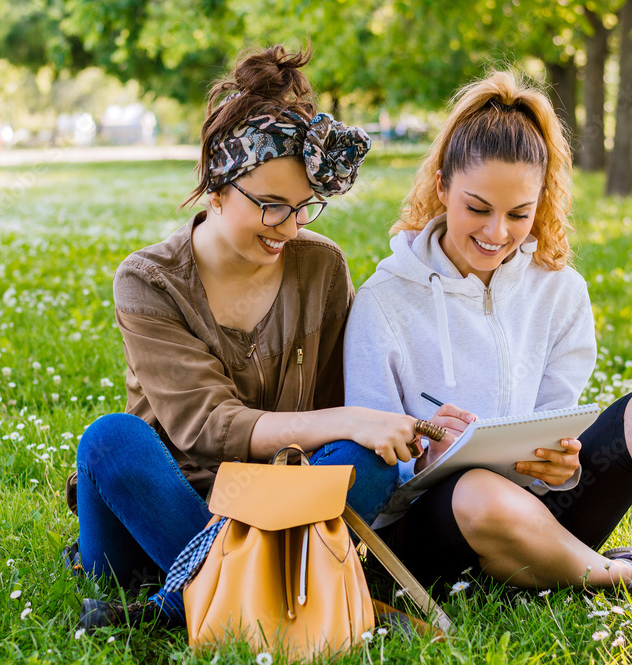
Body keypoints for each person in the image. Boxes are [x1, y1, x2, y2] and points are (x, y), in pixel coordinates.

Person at [342, 71, 632, 658]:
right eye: (477, 209)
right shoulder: (383, 303)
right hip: (439, 533)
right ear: (441, 187)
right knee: (479, 491)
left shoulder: (560, 291)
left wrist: (556, 464)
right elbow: (368, 471)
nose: (496, 233)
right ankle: (628, 576)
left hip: (543, 514)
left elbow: (555, 420)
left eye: (519, 214)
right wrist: (425, 456)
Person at [68, 44, 426, 631]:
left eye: (304, 208)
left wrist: (406, 427)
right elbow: (208, 426)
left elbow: (341, 400)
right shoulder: (147, 280)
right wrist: (344, 421)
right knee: (110, 441)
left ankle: (177, 607)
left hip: (278, 499)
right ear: (215, 187)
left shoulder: (322, 268)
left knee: (371, 462)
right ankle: (270, 593)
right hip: (165, 507)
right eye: (270, 206)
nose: (288, 227)